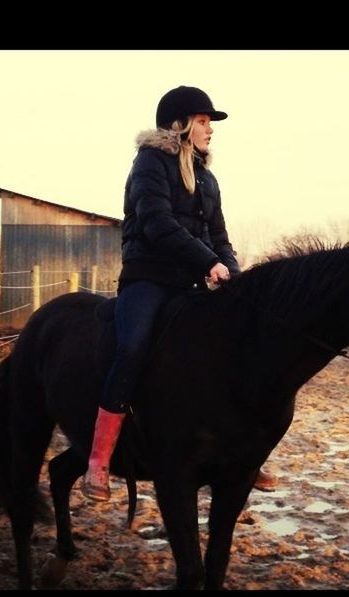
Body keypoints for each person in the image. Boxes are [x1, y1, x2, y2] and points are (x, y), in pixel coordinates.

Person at [82, 85, 275, 501]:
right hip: (147, 278)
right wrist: (207, 262)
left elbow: (220, 237)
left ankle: (243, 454)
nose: (210, 130)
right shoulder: (150, 163)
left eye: (210, 122)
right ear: (180, 124)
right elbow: (156, 223)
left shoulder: (207, 178)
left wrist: (236, 279)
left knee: (237, 341)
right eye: (204, 121)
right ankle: (98, 461)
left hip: (189, 281)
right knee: (132, 347)